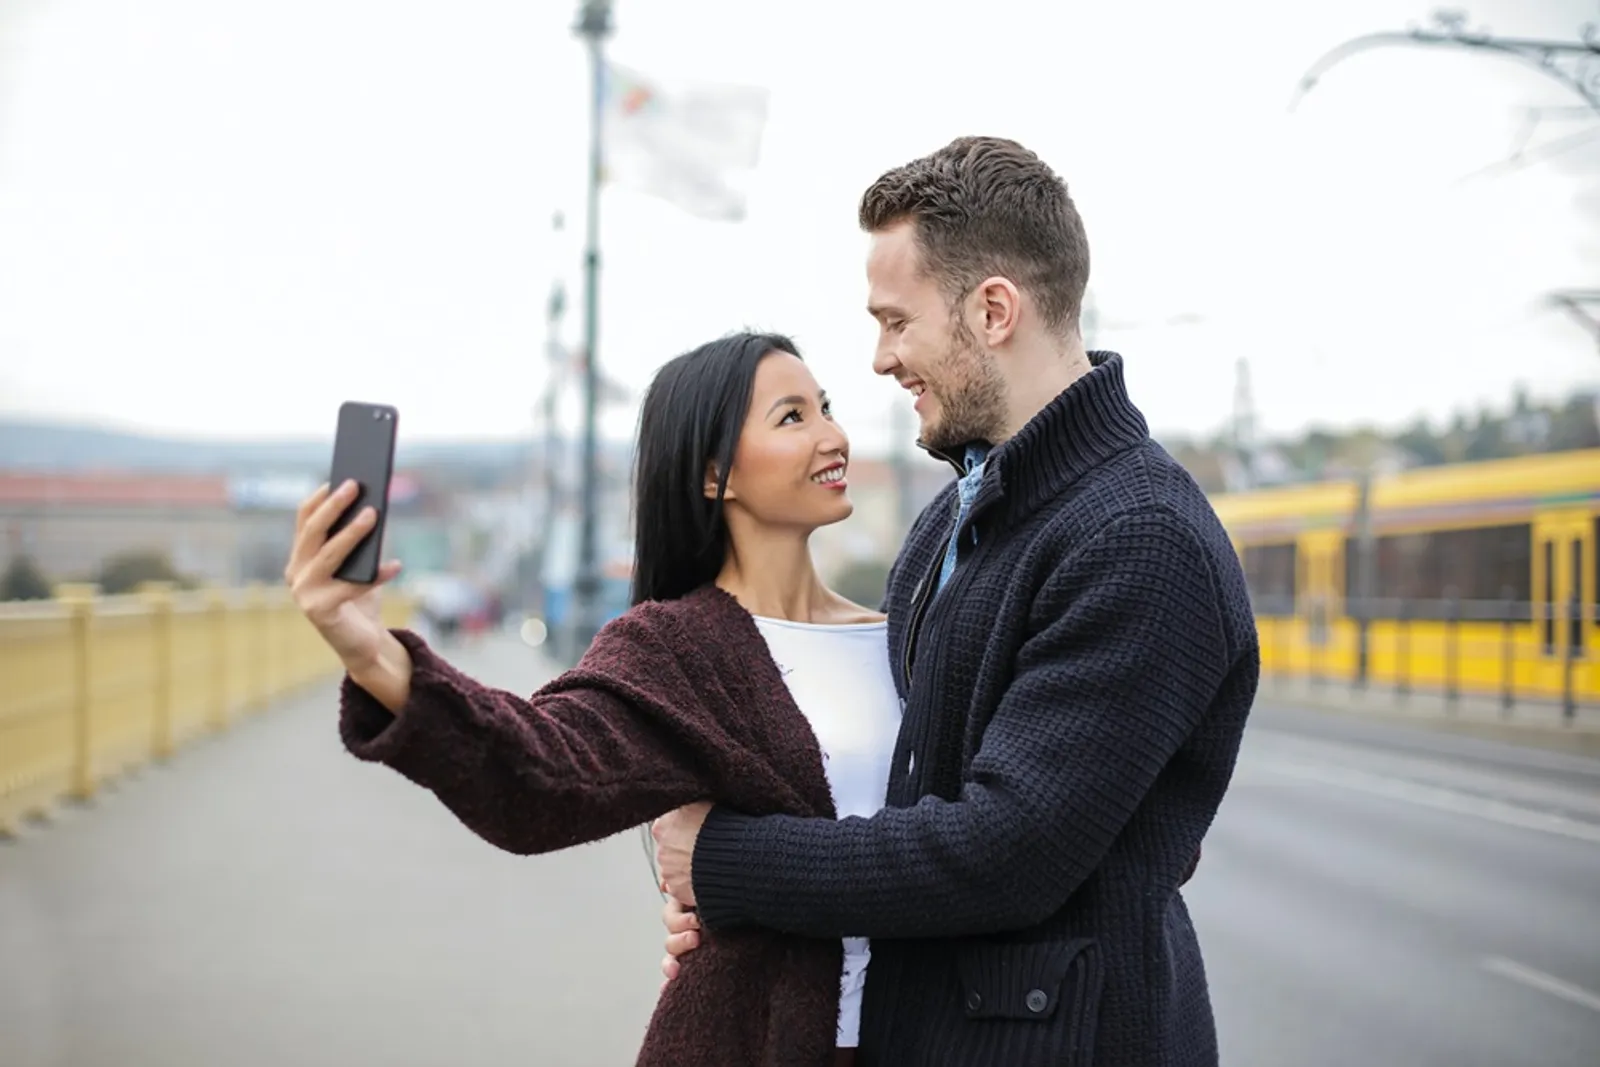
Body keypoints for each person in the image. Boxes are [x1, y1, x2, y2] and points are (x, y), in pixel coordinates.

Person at [652, 136, 1260, 1067]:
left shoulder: (1141, 539)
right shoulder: (950, 522)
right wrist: (724, 915)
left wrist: (731, 865)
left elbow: (1002, 851)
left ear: (993, 310)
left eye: (897, 322)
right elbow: (906, 784)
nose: (882, 359)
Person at [284, 332, 900, 1067]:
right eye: (792, 417)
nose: (834, 435)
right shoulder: (676, 647)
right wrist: (372, 650)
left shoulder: (910, 633)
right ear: (713, 475)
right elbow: (541, 772)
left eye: (825, 407)